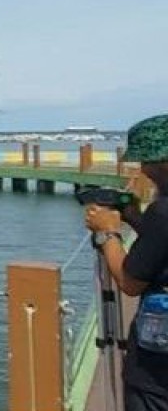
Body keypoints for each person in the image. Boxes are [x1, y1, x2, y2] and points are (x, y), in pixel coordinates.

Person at [87, 114, 168, 411]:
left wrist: (108, 231)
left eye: (147, 162)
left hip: (157, 375)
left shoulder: (163, 212)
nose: (143, 171)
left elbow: (130, 281)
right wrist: (135, 218)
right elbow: (160, 248)